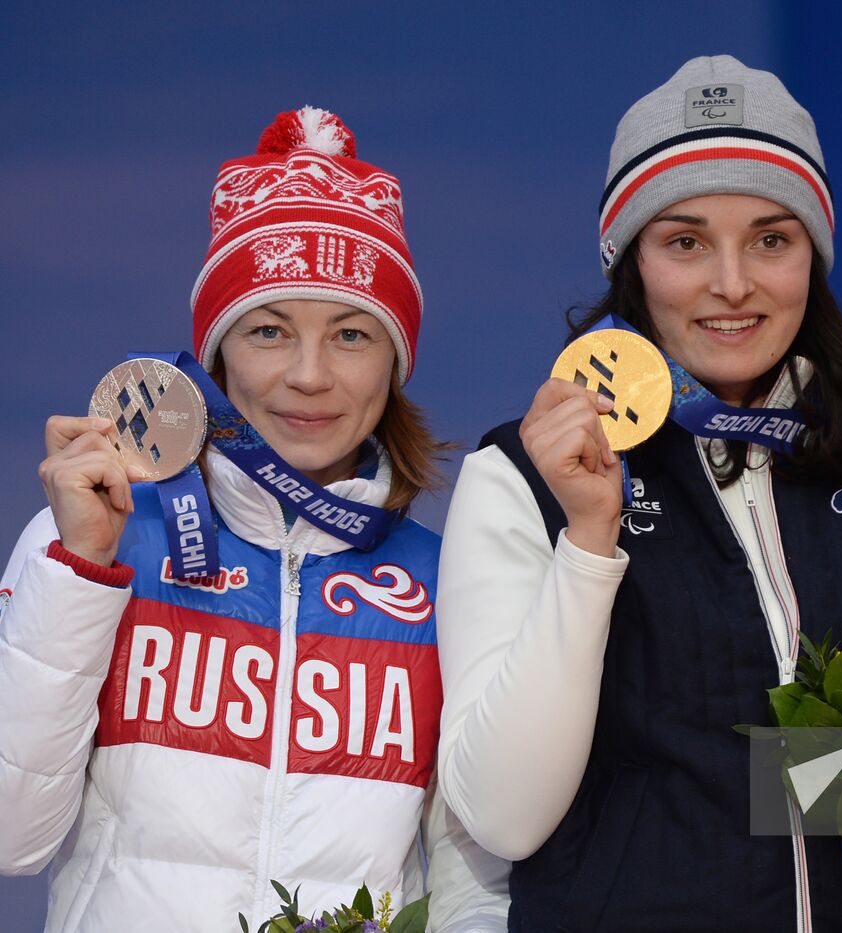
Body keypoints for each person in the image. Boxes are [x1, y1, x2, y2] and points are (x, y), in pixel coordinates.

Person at [432, 55, 842, 932]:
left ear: (815, 254)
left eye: (772, 237)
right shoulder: (522, 479)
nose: (733, 283)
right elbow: (502, 814)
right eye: (685, 241)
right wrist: (587, 539)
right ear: (633, 262)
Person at [0, 107, 508, 932]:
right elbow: (9, 837)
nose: (309, 376)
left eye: (351, 334)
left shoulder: (443, 583)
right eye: (270, 330)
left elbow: (470, 891)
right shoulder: (92, 536)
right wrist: (80, 570)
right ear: (217, 354)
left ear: (396, 361)